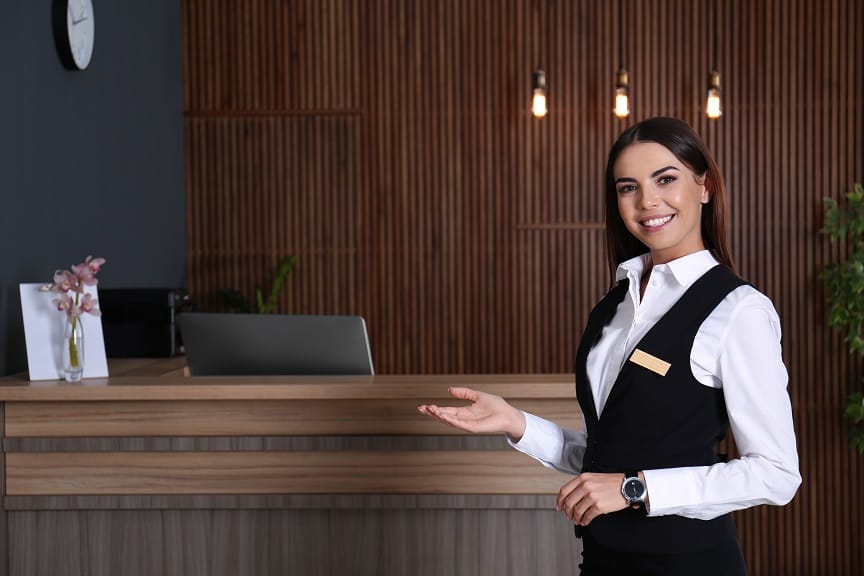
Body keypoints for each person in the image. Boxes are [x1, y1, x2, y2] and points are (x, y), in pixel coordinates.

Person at [418, 117, 801, 575]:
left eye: (665, 179)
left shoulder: (740, 310)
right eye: (627, 187)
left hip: (690, 565)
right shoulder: (613, 307)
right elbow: (608, 458)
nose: (647, 201)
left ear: (705, 185)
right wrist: (517, 423)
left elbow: (776, 474)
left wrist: (633, 490)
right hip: (602, 561)